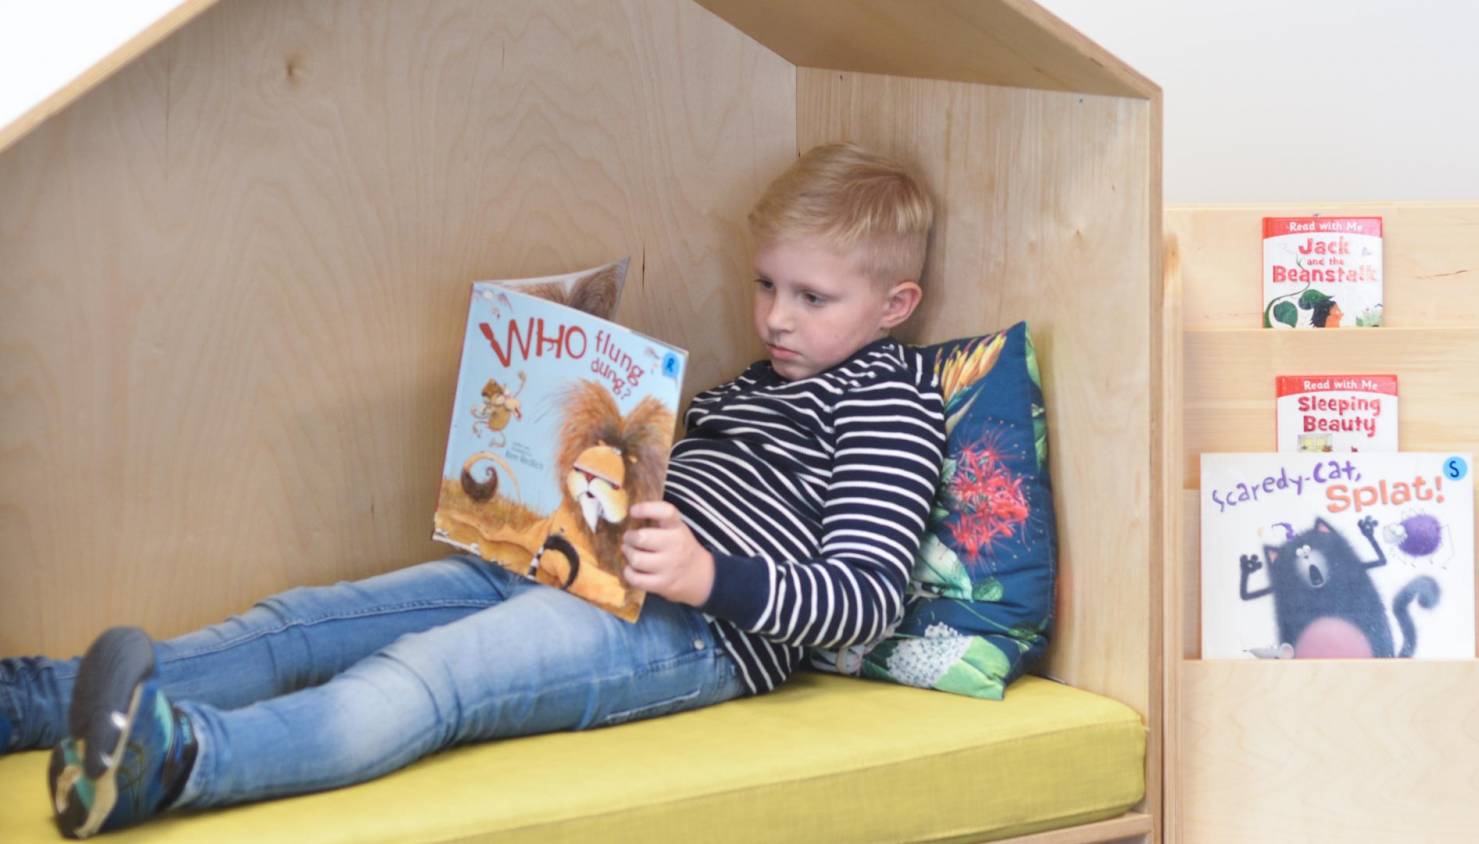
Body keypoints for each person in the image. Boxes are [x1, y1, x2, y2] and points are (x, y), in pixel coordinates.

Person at [1, 141, 946, 838]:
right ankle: (37, 702)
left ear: (895, 305)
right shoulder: (750, 386)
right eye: (765, 284)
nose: (776, 317)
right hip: (565, 561)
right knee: (309, 621)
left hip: (693, 631)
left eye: (811, 298)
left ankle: (178, 761)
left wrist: (708, 577)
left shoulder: (887, 401)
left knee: (429, 679)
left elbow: (863, 599)